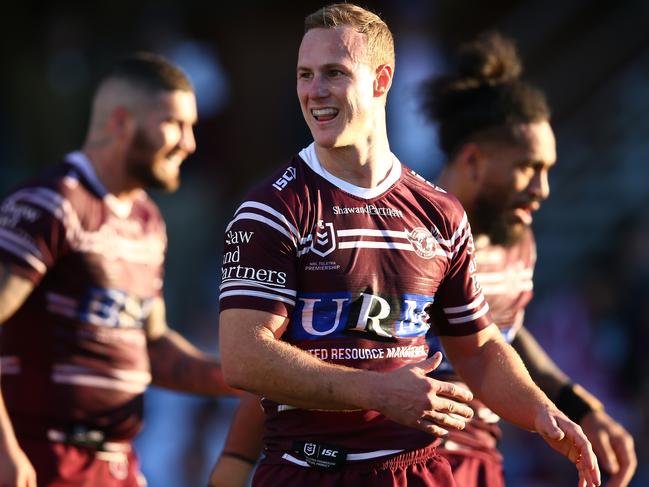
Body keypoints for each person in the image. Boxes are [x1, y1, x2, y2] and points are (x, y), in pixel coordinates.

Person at [216, 4, 600, 487]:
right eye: (305, 75)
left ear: (381, 81)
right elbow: (244, 356)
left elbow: (479, 350)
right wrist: (378, 392)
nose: (314, 92)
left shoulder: (440, 212)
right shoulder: (271, 208)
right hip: (310, 470)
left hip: (420, 471)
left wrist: (545, 414)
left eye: (334, 73)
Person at [0, 52, 236, 487]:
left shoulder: (147, 219)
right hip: (39, 461)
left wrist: (255, 378)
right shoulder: (51, 205)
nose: (190, 143)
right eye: (175, 124)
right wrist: (4, 450)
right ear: (122, 121)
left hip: (117, 465)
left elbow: (153, 349)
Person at [420, 31, 637, 487]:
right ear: (474, 161)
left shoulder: (516, 239)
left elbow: (502, 335)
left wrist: (582, 408)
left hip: (480, 459)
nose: (543, 189)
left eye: (548, 171)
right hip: (402, 460)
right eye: (529, 168)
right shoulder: (404, 235)